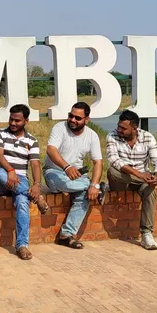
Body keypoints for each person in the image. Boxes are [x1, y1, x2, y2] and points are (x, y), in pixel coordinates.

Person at [106, 109, 157, 250]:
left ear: (134, 128)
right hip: (121, 181)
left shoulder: (147, 137)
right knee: (112, 171)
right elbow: (114, 160)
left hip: (140, 182)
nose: (119, 130)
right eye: (119, 126)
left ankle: (146, 234)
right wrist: (140, 175)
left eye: (123, 128)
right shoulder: (112, 136)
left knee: (150, 190)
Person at [42, 101, 105, 249]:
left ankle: (66, 235)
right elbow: (51, 149)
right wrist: (67, 167)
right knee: (68, 184)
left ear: (86, 120)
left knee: (85, 195)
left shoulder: (92, 135)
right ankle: (95, 188)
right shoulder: (60, 128)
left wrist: (94, 184)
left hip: (77, 176)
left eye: (78, 118)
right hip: (54, 172)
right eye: (71, 116)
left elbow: (98, 162)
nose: (72, 120)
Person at [0, 104, 48, 261]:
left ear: (26, 121)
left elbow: (35, 164)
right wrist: (10, 170)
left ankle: (22, 245)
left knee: (22, 202)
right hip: (1, 179)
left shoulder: (32, 140)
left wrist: (37, 184)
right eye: (11, 119)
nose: (13, 123)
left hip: (20, 181)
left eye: (17, 120)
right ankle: (36, 198)